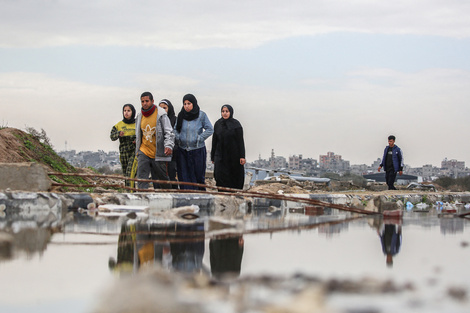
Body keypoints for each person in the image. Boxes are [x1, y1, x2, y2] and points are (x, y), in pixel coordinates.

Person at [135, 91, 175, 190]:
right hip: (144, 151)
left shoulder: (161, 115)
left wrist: (168, 145)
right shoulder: (140, 116)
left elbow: (169, 132)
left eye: (147, 101)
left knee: (162, 178)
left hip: (158, 153)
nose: (144, 103)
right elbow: (139, 133)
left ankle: (168, 195)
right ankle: (142, 198)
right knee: (142, 177)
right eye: (142, 101)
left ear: (152, 101)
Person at [174, 94, 213, 190]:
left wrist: (199, 138)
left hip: (197, 150)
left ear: (194, 104)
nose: (186, 106)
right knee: (183, 176)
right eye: (185, 104)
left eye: (189, 103)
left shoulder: (201, 115)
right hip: (183, 150)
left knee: (198, 176)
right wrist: (178, 137)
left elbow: (210, 129)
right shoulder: (181, 115)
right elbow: (175, 129)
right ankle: (186, 197)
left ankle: (199, 199)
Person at [211, 104, 246, 189]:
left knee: (233, 175)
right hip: (220, 155)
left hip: (233, 156)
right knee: (219, 174)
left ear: (230, 112)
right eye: (223, 111)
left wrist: (242, 156)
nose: (225, 113)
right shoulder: (218, 124)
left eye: (227, 111)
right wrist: (212, 157)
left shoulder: (236, 124)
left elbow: (240, 141)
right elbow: (214, 141)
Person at [110, 104, 136, 187]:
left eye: (129, 111)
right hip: (124, 153)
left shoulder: (137, 124)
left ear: (133, 112)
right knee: (126, 175)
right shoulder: (119, 125)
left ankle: (132, 193)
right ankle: (129, 192)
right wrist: (118, 134)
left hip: (134, 152)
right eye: (125, 111)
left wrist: (137, 140)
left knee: (130, 173)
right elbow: (112, 136)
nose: (126, 113)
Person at [158, 99, 178, 189]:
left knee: (171, 174)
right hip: (159, 153)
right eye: (160, 108)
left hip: (172, 152)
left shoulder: (175, 120)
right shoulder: (157, 120)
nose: (162, 110)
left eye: (165, 108)